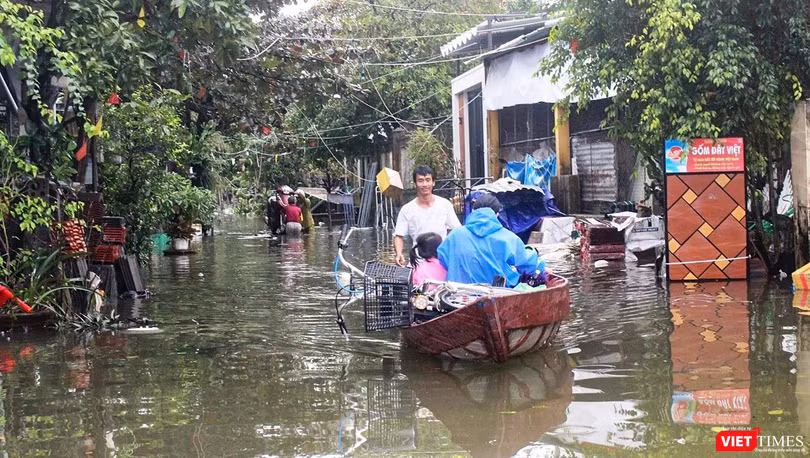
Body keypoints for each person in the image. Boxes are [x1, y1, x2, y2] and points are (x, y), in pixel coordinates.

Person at [438, 193, 544, 287]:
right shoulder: (507, 237)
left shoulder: (455, 235)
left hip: (456, 295)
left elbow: (443, 257)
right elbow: (528, 263)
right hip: (494, 296)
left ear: (473, 210)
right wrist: (540, 266)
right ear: (497, 214)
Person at [394, 165, 461, 266]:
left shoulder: (445, 205)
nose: (425, 184)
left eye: (428, 180)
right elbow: (398, 235)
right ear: (415, 184)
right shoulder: (407, 210)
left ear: (433, 182)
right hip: (418, 262)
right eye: (420, 181)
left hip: (441, 260)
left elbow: (457, 230)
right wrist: (399, 254)